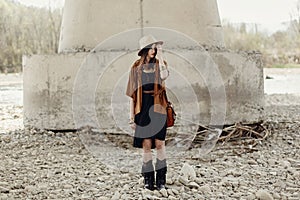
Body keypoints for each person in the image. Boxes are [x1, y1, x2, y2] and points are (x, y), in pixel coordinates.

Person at [126, 35, 170, 190]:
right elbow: (132, 95)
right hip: (142, 108)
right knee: (146, 144)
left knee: (159, 143)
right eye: (152, 48)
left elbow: (164, 76)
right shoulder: (135, 67)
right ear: (145, 49)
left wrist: (161, 55)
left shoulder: (160, 64)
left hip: (158, 107)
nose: (154, 50)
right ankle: (148, 179)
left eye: (155, 48)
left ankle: (161, 180)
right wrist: (132, 118)